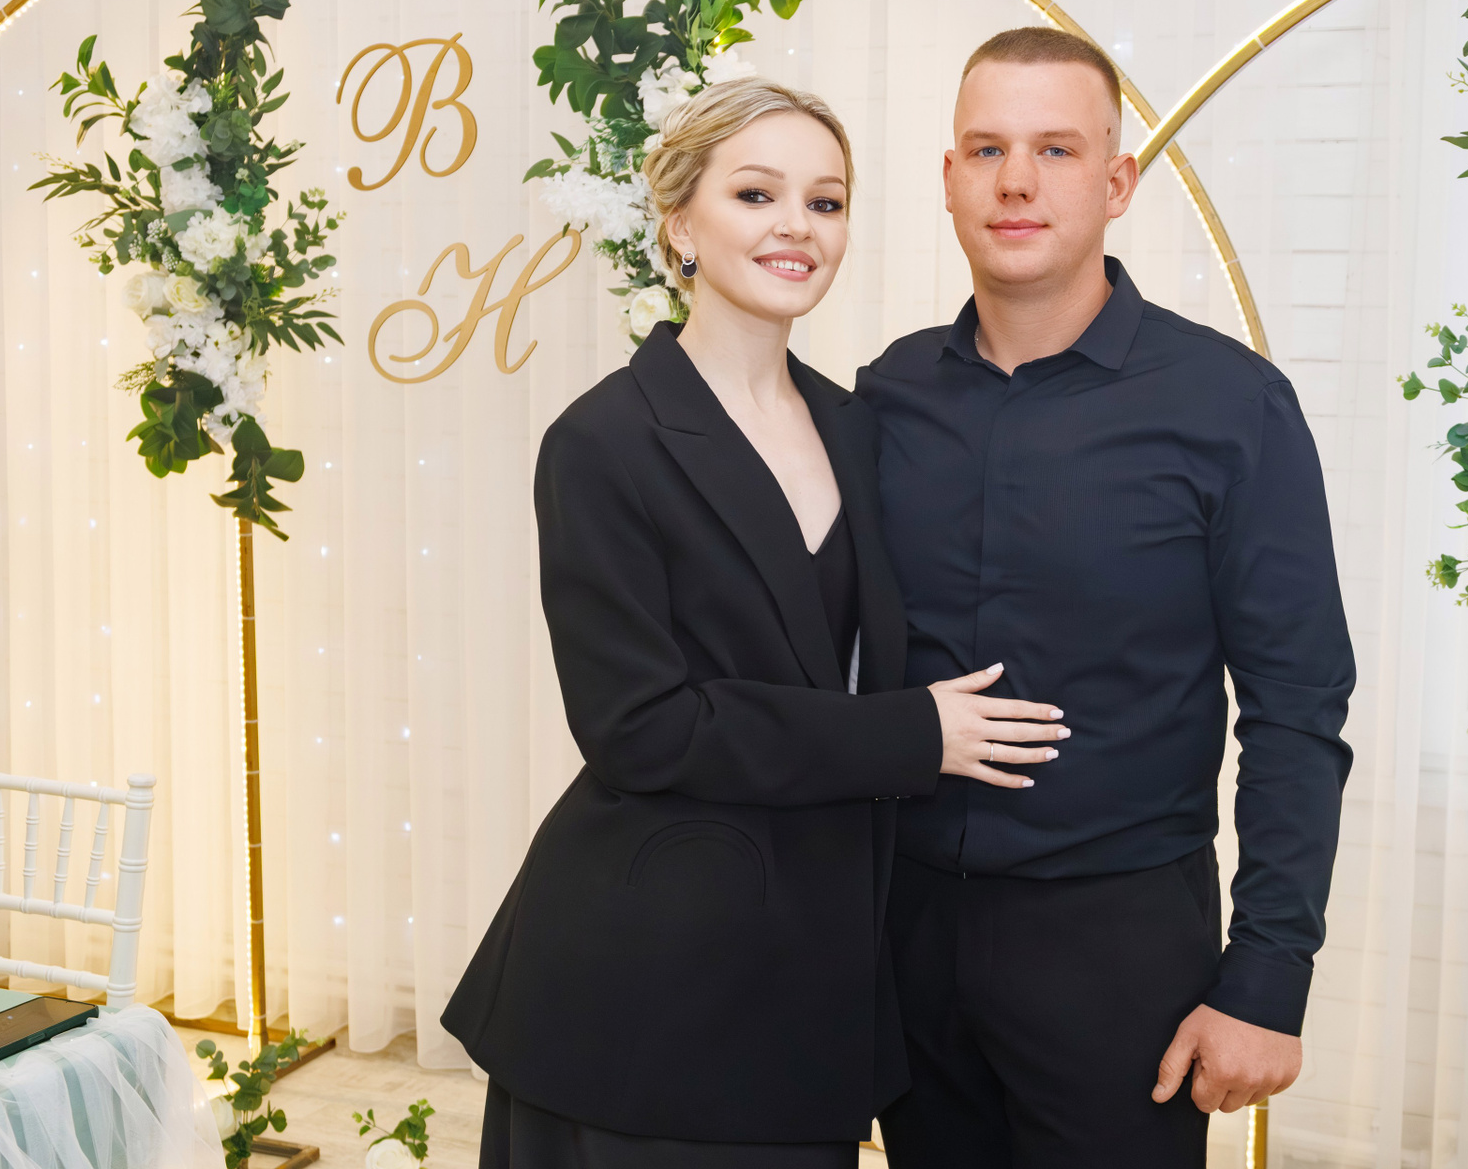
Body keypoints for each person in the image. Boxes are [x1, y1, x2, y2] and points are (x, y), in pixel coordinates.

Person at [441, 78, 1071, 1168]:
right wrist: (913, 733)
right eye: (755, 193)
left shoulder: (859, 424)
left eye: (825, 202)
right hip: (646, 978)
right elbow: (640, 727)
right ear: (679, 223)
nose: (797, 226)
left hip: (815, 976)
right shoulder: (603, 441)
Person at [857, 28, 1357, 1168]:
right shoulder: (886, 395)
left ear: (1118, 182)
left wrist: (1268, 976)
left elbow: (1296, 707)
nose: (1016, 182)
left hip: (1119, 947)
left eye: (1056, 149)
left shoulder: (1231, 406)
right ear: (948, 179)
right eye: (987, 149)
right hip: (905, 930)